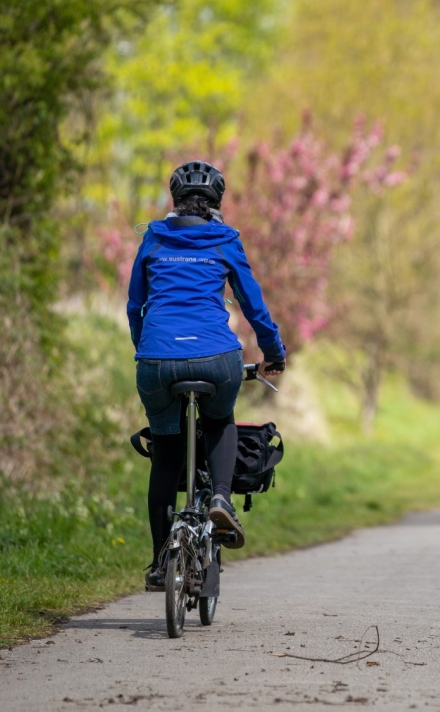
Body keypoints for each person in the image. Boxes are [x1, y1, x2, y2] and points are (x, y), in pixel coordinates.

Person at [126, 160, 286, 591]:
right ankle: (219, 496)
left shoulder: (153, 238)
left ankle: (160, 563)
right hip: (217, 357)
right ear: (216, 202)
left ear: (175, 200)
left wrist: (149, 350)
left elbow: (133, 306)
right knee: (220, 420)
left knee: (165, 453)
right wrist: (274, 353)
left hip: (156, 359)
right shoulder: (225, 239)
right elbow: (254, 307)